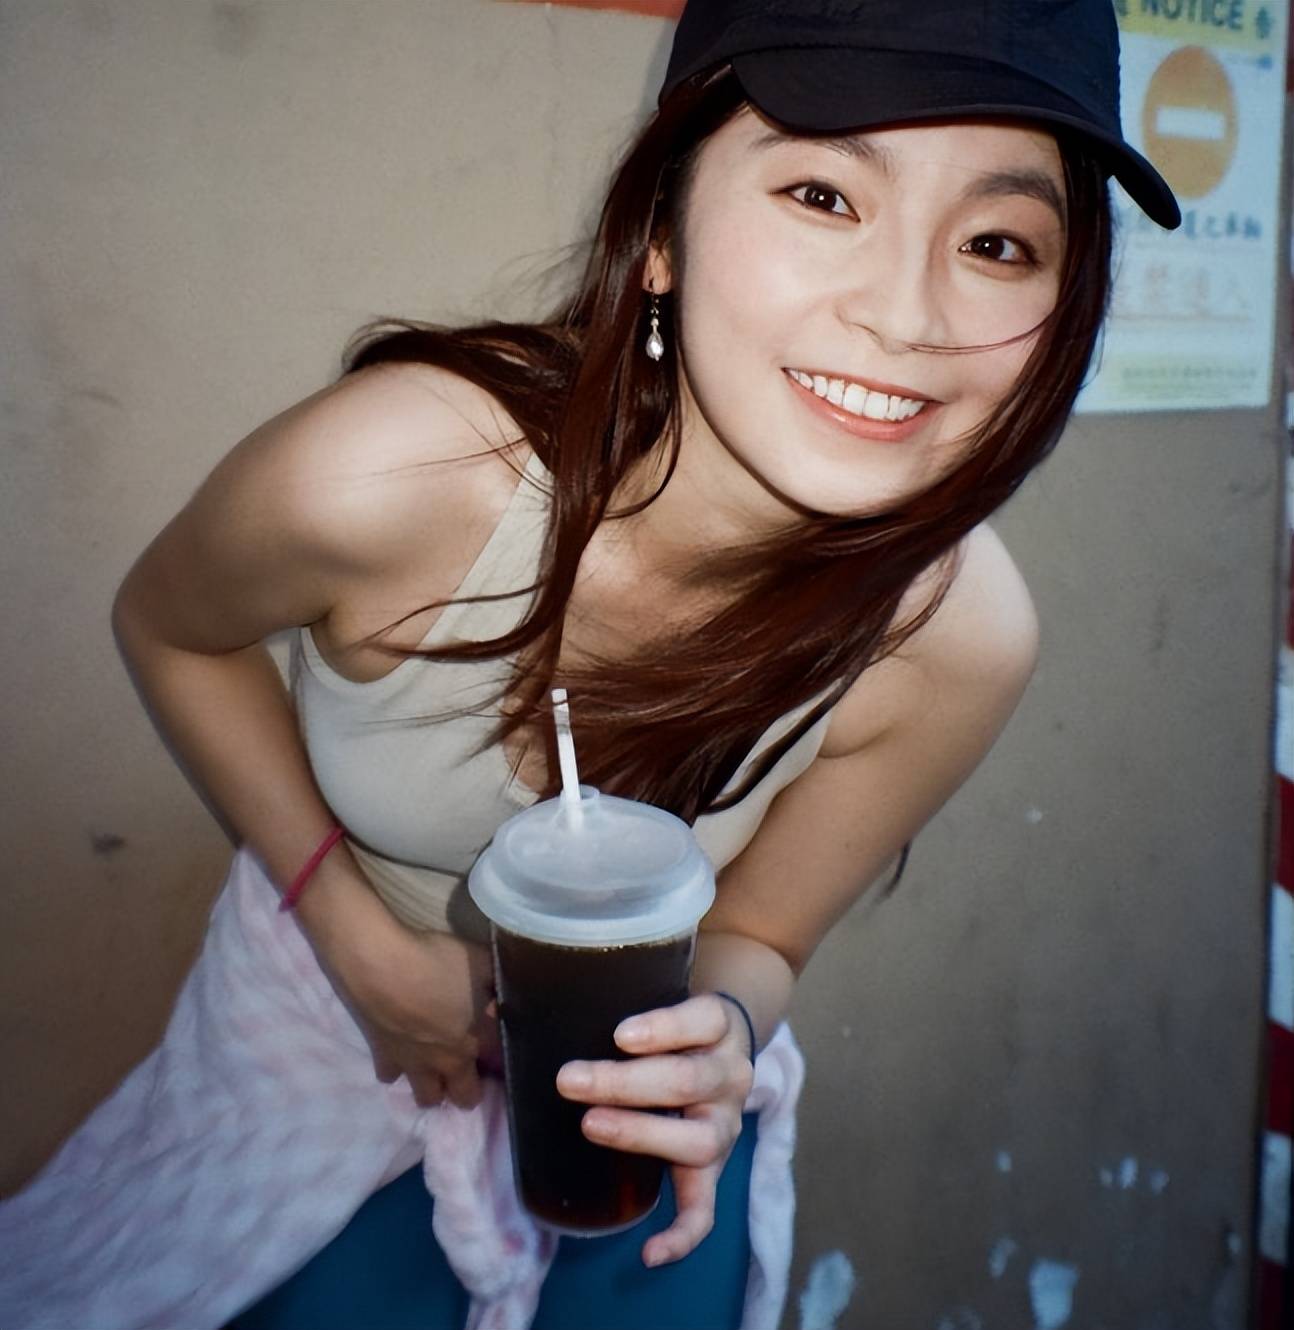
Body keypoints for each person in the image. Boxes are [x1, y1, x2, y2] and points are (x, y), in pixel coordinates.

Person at [0, 1, 1180, 1328]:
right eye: (822, 195)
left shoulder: (955, 635)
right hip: (331, 1038)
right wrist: (352, 934)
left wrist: (720, 1040)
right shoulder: (392, 476)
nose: (907, 314)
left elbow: (758, 933)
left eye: (995, 242)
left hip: (641, 1106)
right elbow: (172, 630)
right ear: (660, 230)